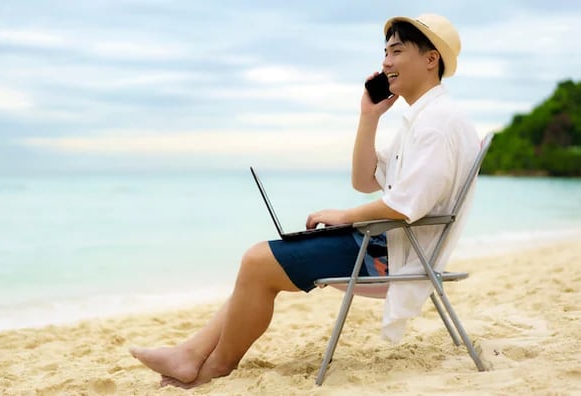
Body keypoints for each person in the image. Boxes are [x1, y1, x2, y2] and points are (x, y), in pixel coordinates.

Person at [129, 13, 480, 389]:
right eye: (385, 53)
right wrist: (368, 117)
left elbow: (403, 207)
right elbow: (364, 181)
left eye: (396, 52)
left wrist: (344, 216)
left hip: (395, 252)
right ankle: (190, 355)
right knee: (259, 266)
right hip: (389, 241)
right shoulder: (424, 119)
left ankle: (213, 368)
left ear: (431, 59)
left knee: (257, 261)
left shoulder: (437, 123)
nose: (386, 62)